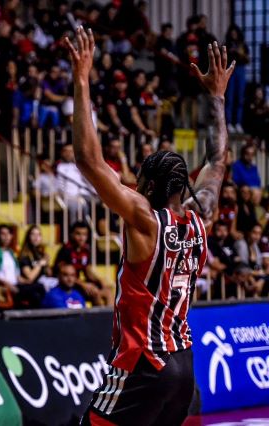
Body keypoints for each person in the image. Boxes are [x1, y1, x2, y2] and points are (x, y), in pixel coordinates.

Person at [66, 29, 231, 425]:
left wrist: (82, 79)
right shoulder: (199, 216)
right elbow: (218, 160)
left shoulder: (145, 218)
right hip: (183, 366)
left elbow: (89, 160)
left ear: (151, 186)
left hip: (143, 362)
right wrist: (217, 98)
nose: (135, 184)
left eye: (140, 179)